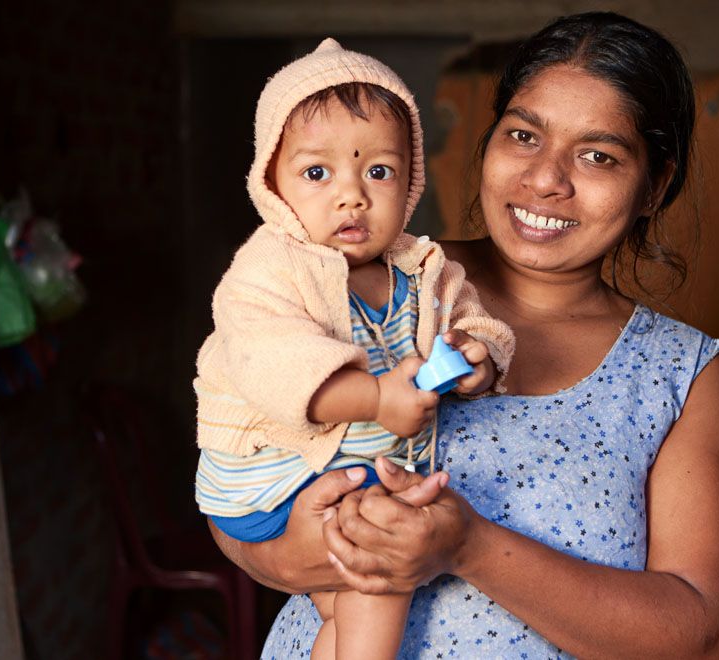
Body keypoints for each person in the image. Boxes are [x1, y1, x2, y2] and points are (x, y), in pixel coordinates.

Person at [211, 12, 719, 660]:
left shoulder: (678, 375)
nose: (546, 178)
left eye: (598, 155)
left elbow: (702, 635)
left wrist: (468, 547)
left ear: (654, 185)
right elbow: (238, 465)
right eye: (523, 135)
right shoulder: (364, 279)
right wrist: (282, 555)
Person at [192, 38, 516, 659]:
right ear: (274, 184)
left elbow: (473, 318)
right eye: (318, 173)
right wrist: (375, 398)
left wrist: (478, 356)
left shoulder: (422, 267)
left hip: (336, 471)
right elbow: (275, 364)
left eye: (379, 171)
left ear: (411, 178)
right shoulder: (267, 270)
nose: (353, 195)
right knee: (384, 552)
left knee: (347, 604)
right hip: (271, 471)